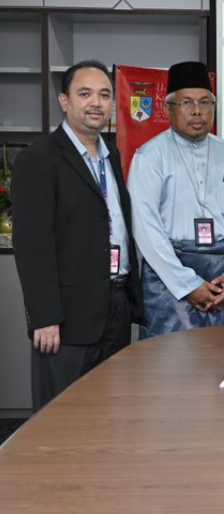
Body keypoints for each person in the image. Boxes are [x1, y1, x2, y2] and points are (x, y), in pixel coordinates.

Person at [12, 60, 144, 411]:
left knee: (109, 412)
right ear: (64, 101)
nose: (96, 103)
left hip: (114, 305)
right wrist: (44, 317)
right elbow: (33, 245)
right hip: (67, 316)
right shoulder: (38, 159)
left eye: (104, 95)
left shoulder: (110, 154)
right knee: (62, 416)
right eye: (85, 94)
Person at [128, 61, 224, 336]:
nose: (197, 111)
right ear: (169, 108)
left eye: (205, 102)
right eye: (187, 103)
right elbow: (145, 228)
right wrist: (187, 285)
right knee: (168, 368)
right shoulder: (150, 156)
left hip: (221, 284)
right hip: (168, 280)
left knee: (219, 368)